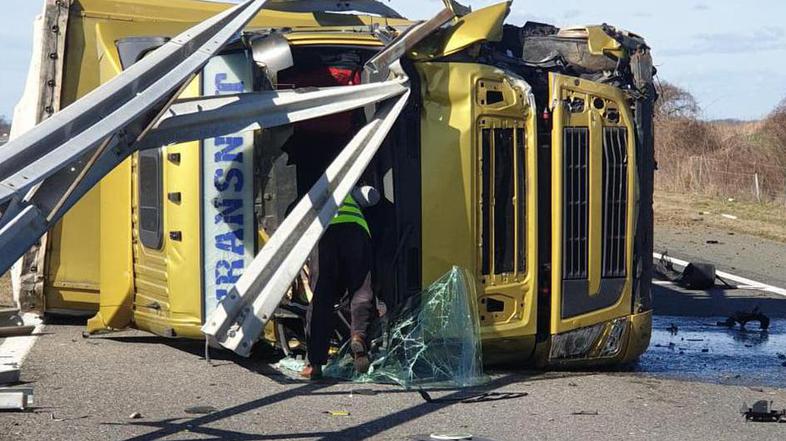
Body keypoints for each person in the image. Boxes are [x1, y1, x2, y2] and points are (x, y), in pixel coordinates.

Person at [300, 187, 380, 379]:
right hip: (356, 233)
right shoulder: (350, 188)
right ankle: (358, 337)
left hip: (325, 235)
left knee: (322, 297)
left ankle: (315, 364)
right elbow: (373, 196)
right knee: (361, 291)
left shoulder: (315, 194)